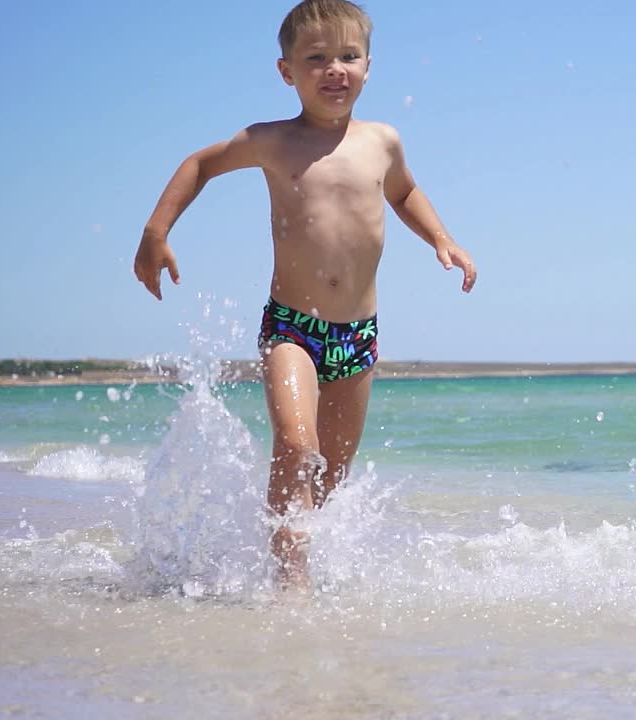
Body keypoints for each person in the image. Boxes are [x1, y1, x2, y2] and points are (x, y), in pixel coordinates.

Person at [132, 0, 476, 591]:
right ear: (287, 71)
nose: (334, 69)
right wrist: (155, 234)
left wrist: (442, 239)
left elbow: (405, 192)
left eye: (348, 56)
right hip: (293, 328)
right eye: (316, 59)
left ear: (369, 65)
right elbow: (199, 165)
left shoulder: (383, 142)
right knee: (296, 444)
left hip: (359, 335)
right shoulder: (272, 141)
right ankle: (291, 585)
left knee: (331, 474)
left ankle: (296, 552)